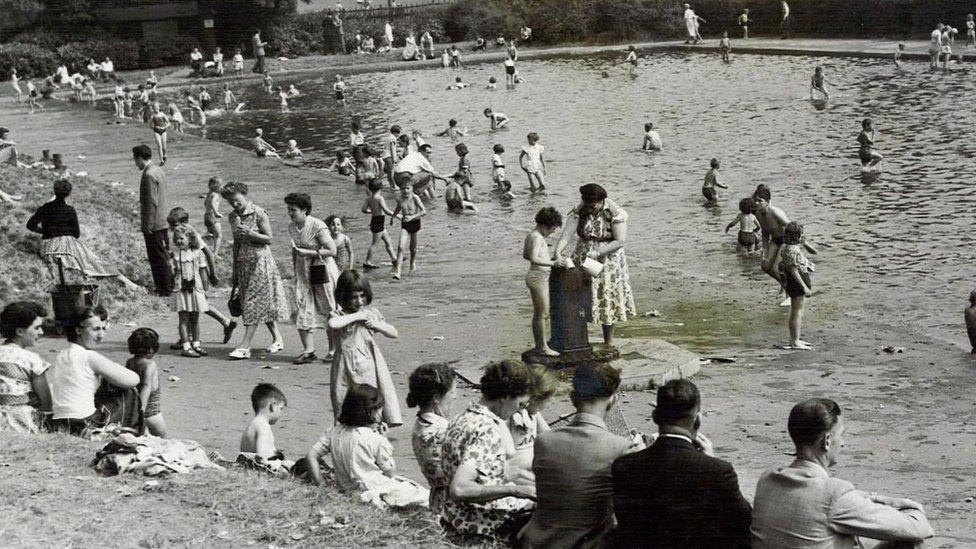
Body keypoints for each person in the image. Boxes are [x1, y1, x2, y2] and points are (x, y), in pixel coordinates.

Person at [752, 398, 935, 548]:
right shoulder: (834, 495)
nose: (843, 443)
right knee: (910, 542)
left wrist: (876, 498)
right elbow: (918, 528)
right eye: (841, 435)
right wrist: (912, 508)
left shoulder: (767, 479)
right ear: (827, 441)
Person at [613, 379, 752, 548]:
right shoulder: (718, 471)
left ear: (655, 417)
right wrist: (711, 460)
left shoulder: (624, 465)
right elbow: (744, 521)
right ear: (697, 421)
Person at [519, 362, 640, 548]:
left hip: (537, 543)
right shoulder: (621, 448)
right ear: (613, 400)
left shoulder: (543, 442)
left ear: (573, 398)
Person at [439, 360, 536, 542]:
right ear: (505, 397)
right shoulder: (487, 430)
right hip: (482, 522)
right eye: (521, 404)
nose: (519, 412)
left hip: (455, 516)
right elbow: (459, 489)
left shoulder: (461, 418)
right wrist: (514, 490)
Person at [305, 384, 429, 508]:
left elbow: (311, 456)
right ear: (372, 412)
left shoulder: (333, 432)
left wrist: (321, 486)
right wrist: (383, 438)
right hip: (375, 488)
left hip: (346, 490)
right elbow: (390, 473)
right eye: (380, 409)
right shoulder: (375, 439)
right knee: (421, 493)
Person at [554, 184, 637, 346]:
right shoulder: (581, 209)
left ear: (601, 201)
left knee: (607, 298)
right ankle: (581, 340)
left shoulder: (614, 212)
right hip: (583, 256)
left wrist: (598, 253)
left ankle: (609, 342)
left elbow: (619, 241)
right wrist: (558, 251)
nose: (590, 209)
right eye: (587, 205)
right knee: (580, 297)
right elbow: (567, 233)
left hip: (607, 260)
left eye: (593, 206)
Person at [26, 179, 140, 291]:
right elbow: (76, 234)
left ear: (54, 191)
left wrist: (44, 231)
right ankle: (126, 281)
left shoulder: (45, 207)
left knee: (72, 265)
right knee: (93, 260)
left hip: (49, 247)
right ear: (68, 194)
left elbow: (30, 225)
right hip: (68, 244)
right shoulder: (70, 210)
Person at [221, 181, 289, 360]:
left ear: (244, 194)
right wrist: (234, 268)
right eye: (230, 202)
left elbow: (269, 239)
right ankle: (278, 339)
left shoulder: (259, 213)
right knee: (260, 303)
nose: (235, 204)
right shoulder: (232, 217)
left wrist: (251, 234)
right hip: (244, 264)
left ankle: (245, 346)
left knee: (252, 303)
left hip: (261, 263)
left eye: (236, 200)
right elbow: (236, 243)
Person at [48, 306, 140, 435]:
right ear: (78, 330)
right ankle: (131, 433)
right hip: (84, 421)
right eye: (96, 329)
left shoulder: (62, 354)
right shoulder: (89, 356)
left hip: (61, 420)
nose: (101, 335)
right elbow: (133, 380)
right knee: (129, 391)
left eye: (103, 329)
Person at [328, 270, 402, 426]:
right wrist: (357, 316)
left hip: (368, 364)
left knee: (370, 400)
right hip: (345, 367)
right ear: (344, 296)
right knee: (343, 400)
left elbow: (393, 333)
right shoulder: (338, 315)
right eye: (354, 297)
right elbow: (333, 324)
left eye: (362, 296)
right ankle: (344, 435)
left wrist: (377, 325)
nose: (359, 301)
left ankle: (373, 431)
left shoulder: (371, 314)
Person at [286, 193, 339, 365]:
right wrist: (295, 273)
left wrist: (309, 253)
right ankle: (309, 351)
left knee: (328, 308)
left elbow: (332, 250)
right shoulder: (291, 227)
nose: (290, 213)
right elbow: (295, 250)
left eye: (293, 210)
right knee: (301, 307)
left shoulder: (318, 225)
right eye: (289, 209)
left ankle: (333, 350)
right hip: (303, 271)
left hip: (322, 270)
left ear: (304, 210)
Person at [408, 362, 457, 514]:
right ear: (436, 398)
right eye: (452, 391)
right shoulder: (444, 431)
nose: (455, 396)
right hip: (456, 508)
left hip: (437, 502)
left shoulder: (420, 425)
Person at [0, 301, 52, 433]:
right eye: (37, 328)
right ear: (19, 331)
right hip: (22, 419)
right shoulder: (31, 359)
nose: (41, 332)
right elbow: (46, 401)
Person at [507, 363, 558, 481]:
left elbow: (550, 437)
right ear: (535, 400)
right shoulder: (510, 417)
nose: (550, 403)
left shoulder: (534, 414)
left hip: (532, 470)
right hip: (515, 475)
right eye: (548, 400)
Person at [523, 207, 562, 357]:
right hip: (538, 277)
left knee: (540, 313)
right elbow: (533, 258)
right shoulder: (538, 237)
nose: (552, 232)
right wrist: (553, 263)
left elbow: (526, 255)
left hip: (537, 275)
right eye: (553, 229)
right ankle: (542, 347)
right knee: (542, 313)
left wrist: (545, 260)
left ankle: (541, 345)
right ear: (548, 225)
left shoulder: (532, 235)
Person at [134, 145, 171, 296]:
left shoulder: (148, 174)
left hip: (154, 222)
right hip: (163, 218)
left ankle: (163, 289)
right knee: (164, 254)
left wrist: (148, 224)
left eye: (135, 160)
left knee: (156, 257)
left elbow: (151, 201)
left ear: (139, 158)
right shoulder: (158, 170)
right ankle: (170, 284)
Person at [169, 225, 210, 358]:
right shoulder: (175, 254)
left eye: (181, 238)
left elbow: (203, 272)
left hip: (195, 287)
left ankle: (196, 344)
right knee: (183, 318)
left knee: (195, 317)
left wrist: (205, 289)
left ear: (190, 238)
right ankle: (186, 346)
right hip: (181, 288)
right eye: (176, 239)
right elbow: (172, 272)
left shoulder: (198, 253)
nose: (178, 241)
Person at [779, 222, 815, 349]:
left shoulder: (786, 248)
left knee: (796, 311)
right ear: (798, 236)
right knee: (797, 312)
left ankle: (795, 339)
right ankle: (795, 341)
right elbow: (793, 270)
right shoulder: (792, 250)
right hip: (797, 281)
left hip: (792, 281)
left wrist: (804, 244)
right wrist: (804, 287)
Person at [125, 328, 166, 437]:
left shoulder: (130, 362)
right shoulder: (150, 365)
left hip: (133, 410)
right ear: (151, 349)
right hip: (151, 412)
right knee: (163, 441)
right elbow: (146, 386)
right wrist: (141, 409)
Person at [753, 184, 790, 285]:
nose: (756, 203)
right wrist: (764, 249)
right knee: (765, 266)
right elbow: (765, 232)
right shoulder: (758, 214)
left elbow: (791, 227)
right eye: (755, 200)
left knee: (775, 269)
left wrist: (804, 244)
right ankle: (785, 285)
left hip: (786, 241)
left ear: (767, 202)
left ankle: (788, 290)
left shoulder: (775, 212)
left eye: (760, 201)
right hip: (775, 240)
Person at [391, 182, 428, 280]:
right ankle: (398, 272)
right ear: (400, 189)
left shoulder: (415, 198)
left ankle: (412, 262)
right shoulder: (399, 198)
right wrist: (393, 217)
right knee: (400, 247)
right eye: (403, 188)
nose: (405, 191)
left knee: (413, 248)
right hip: (405, 224)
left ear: (412, 189)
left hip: (415, 223)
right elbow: (398, 208)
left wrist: (412, 217)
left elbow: (424, 211)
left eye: (408, 188)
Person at [240, 383, 287, 459]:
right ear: (273, 405)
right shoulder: (263, 426)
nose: (281, 414)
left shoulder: (252, 425)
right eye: (281, 409)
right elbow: (262, 458)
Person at [362, 179, 398, 270]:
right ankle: (367, 261)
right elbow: (386, 211)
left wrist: (372, 211)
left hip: (375, 221)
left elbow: (363, 210)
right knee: (374, 244)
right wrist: (397, 215)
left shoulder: (368, 198)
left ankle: (394, 259)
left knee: (388, 241)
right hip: (379, 222)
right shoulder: (380, 198)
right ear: (381, 188)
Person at [204, 177, 224, 256]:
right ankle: (215, 254)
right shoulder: (215, 195)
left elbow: (205, 203)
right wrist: (216, 212)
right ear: (218, 187)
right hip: (213, 216)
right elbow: (212, 203)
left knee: (213, 234)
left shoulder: (209, 193)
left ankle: (210, 250)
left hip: (206, 216)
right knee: (219, 236)